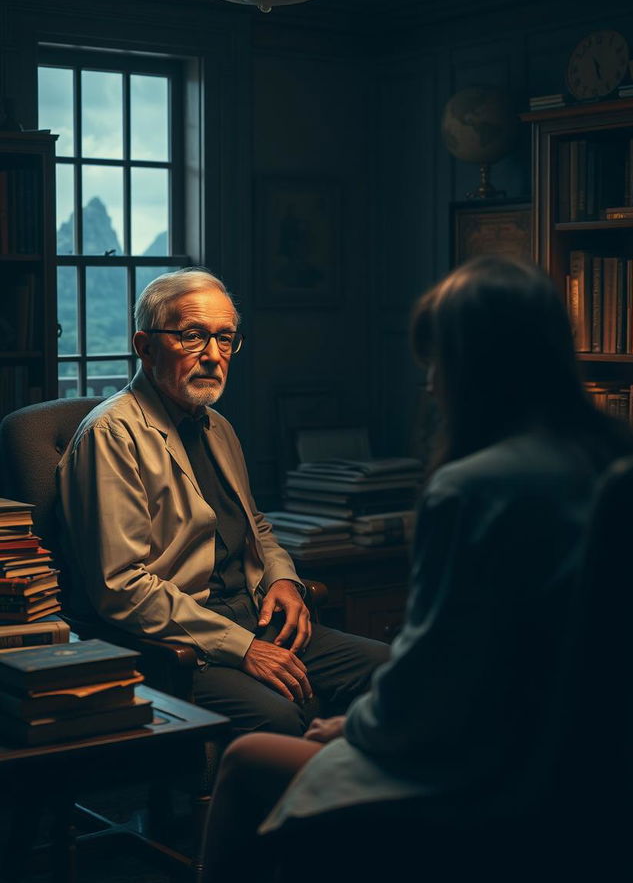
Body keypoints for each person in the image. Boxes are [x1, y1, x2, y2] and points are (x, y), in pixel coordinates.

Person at [182, 255, 633, 883]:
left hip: (489, 781)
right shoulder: (615, 462)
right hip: (593, 780)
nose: (429, 386)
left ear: (473, 369)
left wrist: (350, 731)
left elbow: (433, 677)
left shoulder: (476, 487)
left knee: (253, 758)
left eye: (437, 363)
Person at [56, 267, 389, 736]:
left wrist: (285, 580)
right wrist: (243, 647)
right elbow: (122, 585)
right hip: (178, 642)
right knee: (279, 716)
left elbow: (257, 527)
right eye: (193, 337)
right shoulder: (111, 435)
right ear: (145, 347)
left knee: (391, 670)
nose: (213, 356)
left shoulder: (217, 427)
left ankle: (350, 805)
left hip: (256, 617)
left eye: (225, 339)